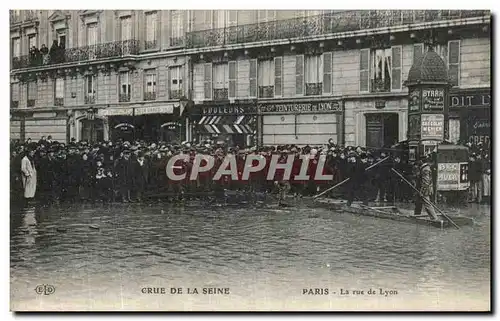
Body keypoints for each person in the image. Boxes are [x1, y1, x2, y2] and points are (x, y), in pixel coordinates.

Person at [414, 155, 439, 221]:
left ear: (421, 161)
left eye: (418, 161)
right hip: (420, 189)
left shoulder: (425, 169)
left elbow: (426, 182)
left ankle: (434, 219)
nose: (417, 162)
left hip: (424, 190)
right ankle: (416, 216)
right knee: (418, 203)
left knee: (427, 204)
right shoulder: (423, 168)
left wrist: (422, 192)